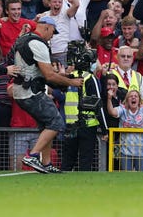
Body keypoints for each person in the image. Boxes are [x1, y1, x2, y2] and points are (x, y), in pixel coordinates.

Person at [12, 17, 83, 174]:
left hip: (22, 90)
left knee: (47, 124)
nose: (53, 36)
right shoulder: (38, 44)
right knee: (56, 123)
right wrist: (72, 82)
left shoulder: (25, 38)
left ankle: (46, 163)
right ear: (46, 27)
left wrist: (61, 77)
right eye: (53, 31)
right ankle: (33, 155)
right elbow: (49, 76)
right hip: (30, 92)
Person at [61, 41, 106, 172]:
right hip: (87, 125)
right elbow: (98, 105)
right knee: (85, 162)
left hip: (70, 124)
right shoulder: (90, 78)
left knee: (67, 162)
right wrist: (105, 129)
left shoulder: (68, 77)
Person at [106, 88, 143, 171]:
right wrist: (109, 98)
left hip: (142, 151)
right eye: (131, 96)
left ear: (139, 99)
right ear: (127, 100)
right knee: (127, 178)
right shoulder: (122, 109)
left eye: (136, 96)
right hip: (126, 151)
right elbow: (112, 112)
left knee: (142, 178)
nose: (133, 98)